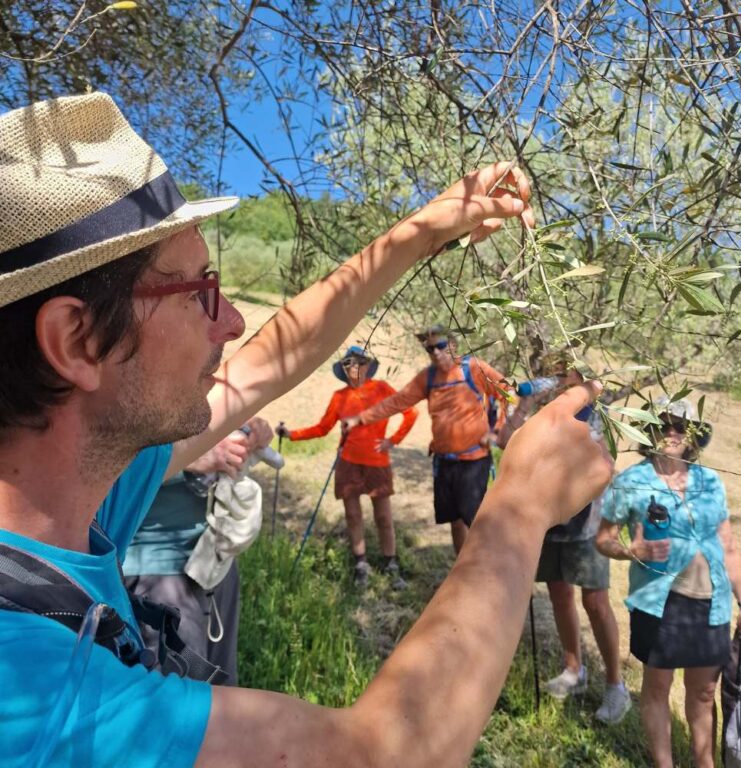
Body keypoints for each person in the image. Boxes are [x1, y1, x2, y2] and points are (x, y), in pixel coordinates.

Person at [0, 91, 612, 767]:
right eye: (198, 290)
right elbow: (384, 757)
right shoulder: (27, 690)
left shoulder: (72, 496)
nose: (230, 320)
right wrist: (522, 506)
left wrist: (423, 230)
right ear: (77, 339)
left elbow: (270, 361)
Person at [596, 397, 741, 768]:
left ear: (693, 435)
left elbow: (728, 545)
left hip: (712, 604)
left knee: (703, 693)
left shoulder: (710, 481)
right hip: (659, 604)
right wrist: (629, 551)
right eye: (664, 423)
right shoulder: (633, 481)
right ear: (650, 429)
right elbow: (602, 539)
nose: (672, 431)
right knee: (657, 689)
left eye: (680, 425)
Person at [498, 353, 630, 724]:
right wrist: (524, 402)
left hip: (585, 524)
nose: (558, 379)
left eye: (564, 373)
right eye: (554, 373)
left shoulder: (596, 416)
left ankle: (615, 686)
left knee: (596, 602)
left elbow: (604, 465)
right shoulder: (543, 410)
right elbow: (505, 441)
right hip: (549, 520)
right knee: (558, 592)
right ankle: (574, 668)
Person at [124, 417, 274, 685]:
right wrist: (191, 458)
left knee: (220, 691)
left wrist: (248, 427)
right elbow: (105, 462)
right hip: (157, 575)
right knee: (178, 702)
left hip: (213, 564)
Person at [344, 325, 509, 555]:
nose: (436, 353)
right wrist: (360, 419)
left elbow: (508, 393)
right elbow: (398, 401)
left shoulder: (473, 368)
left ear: (452, 345)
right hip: (444, 461)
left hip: (474, 459)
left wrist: (497, 431)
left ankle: (495, 573)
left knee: (475, 519)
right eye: (430, 349)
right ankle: (461, 572)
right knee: (455, 518)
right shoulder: (428, 377)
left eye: (440, 346)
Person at [276, 345, 416, 588]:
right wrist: (291, 434)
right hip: (348, 463)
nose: (353, 367)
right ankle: (361, 563)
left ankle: (390, 563)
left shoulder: (381, 388)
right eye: (348, 363)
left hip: (377, 463)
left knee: (383, 516)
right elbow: (322, 428)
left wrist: (393, 441)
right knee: (353, 515)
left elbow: (410, 412)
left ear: (367, 366)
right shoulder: (339, 397)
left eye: (359, 362)